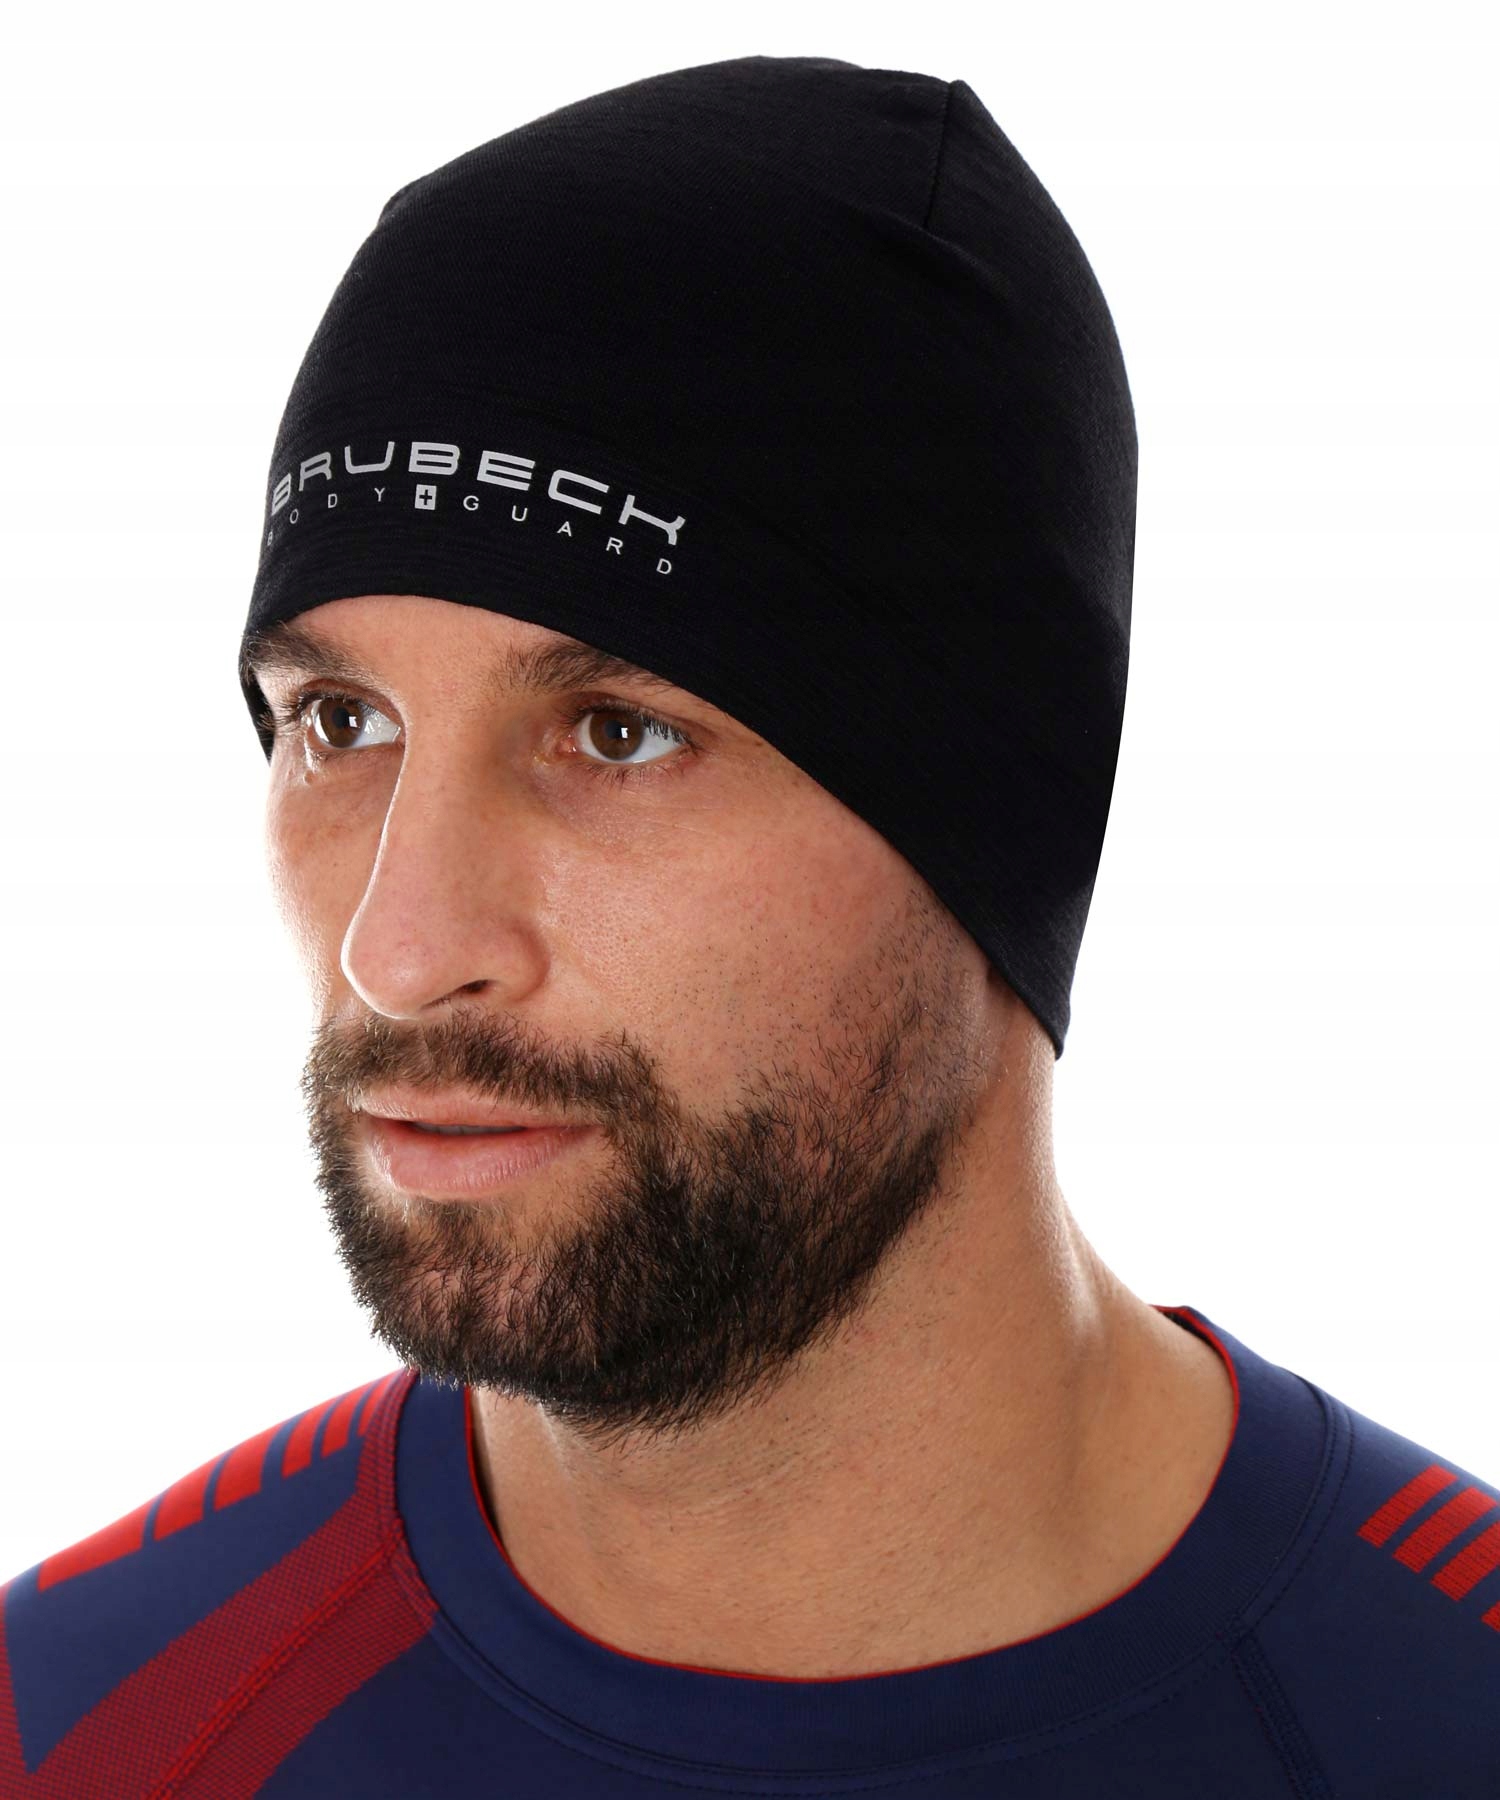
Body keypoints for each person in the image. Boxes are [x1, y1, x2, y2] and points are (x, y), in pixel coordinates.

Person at [2, 53, 1494, 1800]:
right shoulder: (80, 1731)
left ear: (993, 815)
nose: (398, 954)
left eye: (617, 734)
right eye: (342, 721)